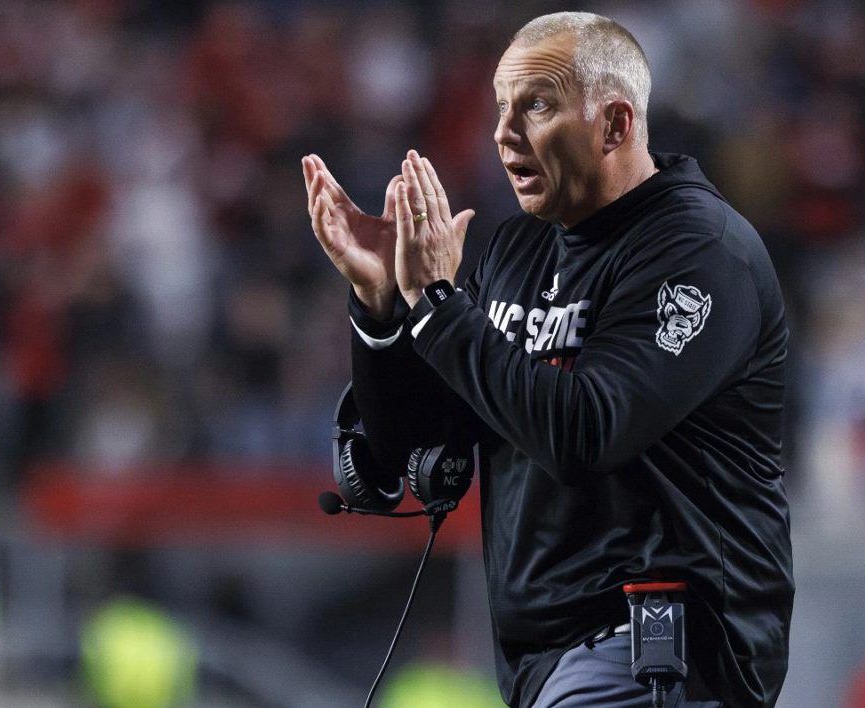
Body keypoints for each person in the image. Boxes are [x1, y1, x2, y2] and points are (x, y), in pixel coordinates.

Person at [301, 11, 792, 707]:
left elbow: (586, 431)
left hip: (661, 649)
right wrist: (382, 309)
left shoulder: (700, 253)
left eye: (534, 105)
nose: (503, 132)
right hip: (544, 661)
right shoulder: (513, 253)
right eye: (501, 106)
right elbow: (411, 448)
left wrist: (438, 306)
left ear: (615, 125)